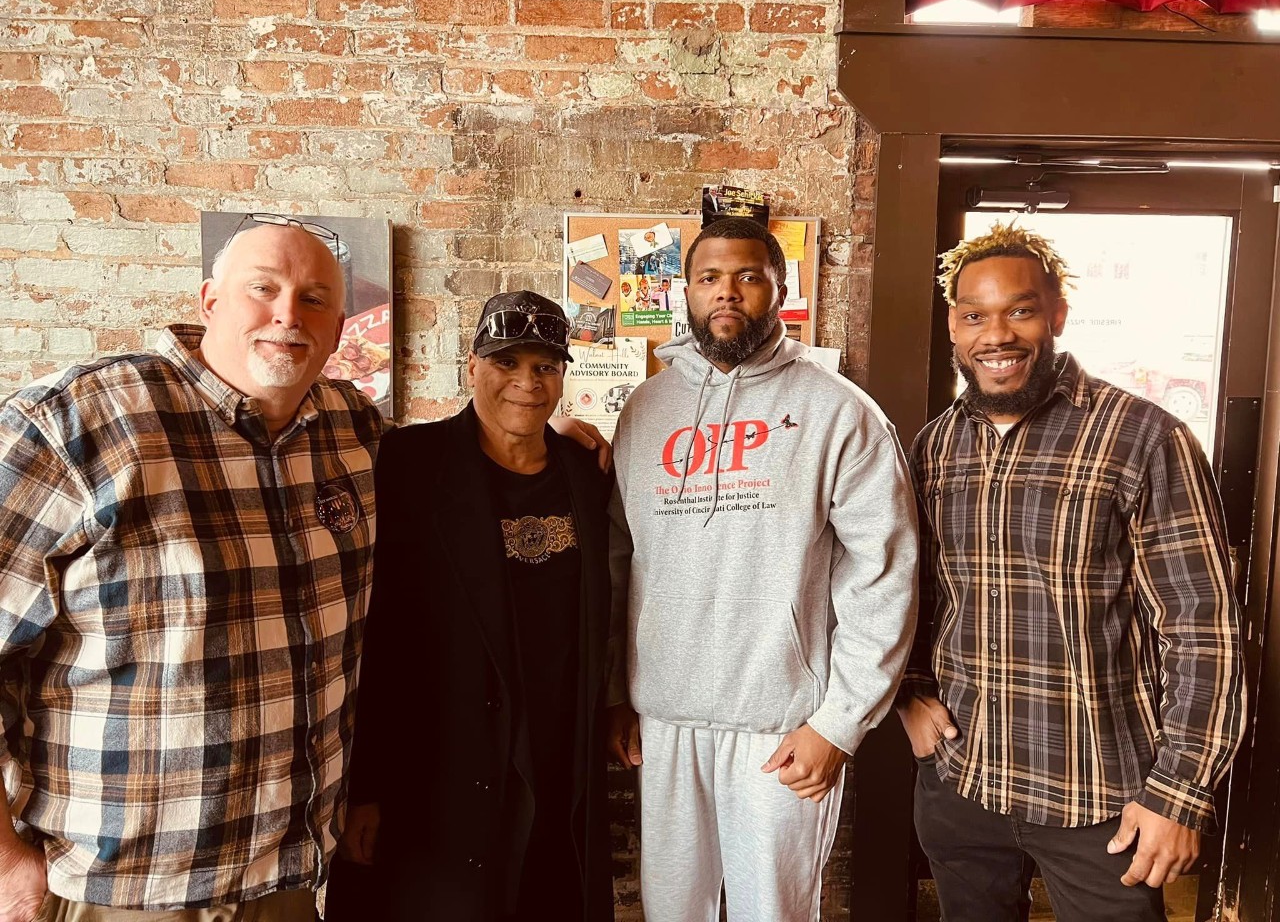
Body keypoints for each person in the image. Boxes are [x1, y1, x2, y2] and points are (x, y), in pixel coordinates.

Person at [0, 216, 380, 921]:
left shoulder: (350, 430)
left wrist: (540, 435)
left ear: (339, 328)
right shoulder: (76, 425)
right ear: (209, 302)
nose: (287, 315)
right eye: (262, 289)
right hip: (124, 893)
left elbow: (446, 474)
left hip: (287, 886)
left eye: (315, 299)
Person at [897, 222, 1245, 922]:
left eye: (1020, 310)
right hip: (964, 783)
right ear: (954, 328)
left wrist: (1180, 793)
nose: (996, 334)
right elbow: (912, 595)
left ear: (1055, 314)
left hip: (1102, 798)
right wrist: (906, 689)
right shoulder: (935, 445)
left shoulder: (1146, 437)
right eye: (975, 316)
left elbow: (1203, 627)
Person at [605, 216, 919, 921]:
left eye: (748, 276)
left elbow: (885, 573)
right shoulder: (646, 410)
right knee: (671, 912)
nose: (728, 293)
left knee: (770, 914)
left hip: (783, 724)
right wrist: (618, 695)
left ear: (780, 288)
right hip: (666, 716)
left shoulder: (839, 412)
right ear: (684, 291)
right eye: (711, 278)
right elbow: (620, 563)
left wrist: (840, 722)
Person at [326, 291, 614, 922]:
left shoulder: (585, 474)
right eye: (506, 363)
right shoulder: (408, 465)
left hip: (560, 752)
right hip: (441, 762)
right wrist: (365, 786)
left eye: (545, 367)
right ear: (472, 368)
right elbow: (374, 635)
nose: (526, 383)